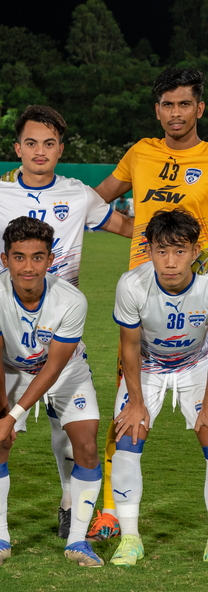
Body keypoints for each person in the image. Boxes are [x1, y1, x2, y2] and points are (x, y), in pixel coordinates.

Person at [0, 105, 132, 539]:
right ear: (18, 147)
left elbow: (125, 226)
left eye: (49, 144)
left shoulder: (78, 194)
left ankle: (71, 504)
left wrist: (180, 231)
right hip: (5, 326)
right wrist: (2, 257)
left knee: (68, 430)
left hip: (61, 325)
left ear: (60, 149)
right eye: (31, 143)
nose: (39, 151)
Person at [90, 68, 208, 541]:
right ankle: (111, 513)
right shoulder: (140, 152)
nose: (175, 113)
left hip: (195, 288)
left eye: (184, 104)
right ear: (156, 108)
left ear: (200, 107)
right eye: (166, 104)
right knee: (126, 404)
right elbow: (98, 200)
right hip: (142, 292)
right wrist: (127, 230)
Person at [0, 216, 103, 567]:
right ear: (5, 259)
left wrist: (15, 415)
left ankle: (78, 542)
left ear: (50, 260)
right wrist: (3, 412)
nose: (27, 267)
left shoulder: (71, 300)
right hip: (11, 371)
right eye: (18, 257)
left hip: (64, 372)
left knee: (87, 445)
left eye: (37, 257)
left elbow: (55, 367)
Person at [109, 208, 208, 565]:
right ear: (148, 249)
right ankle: (131, 538)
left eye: (180, 251)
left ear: (195, 251)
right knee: (127, 438)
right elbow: (130, 347)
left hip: (198, 365)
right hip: (147, 367)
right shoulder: (132, 284)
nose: (170, 261)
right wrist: (136, 402)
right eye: (161, 250)